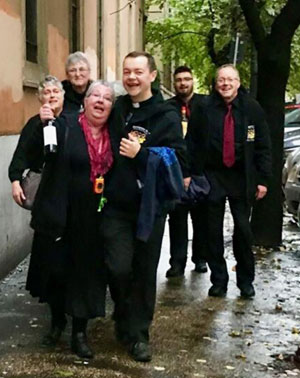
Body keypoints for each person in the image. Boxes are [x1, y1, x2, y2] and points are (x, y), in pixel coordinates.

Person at [12, 80, 115, 359]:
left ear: (112, 106)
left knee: (86, 275)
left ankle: (79, 333)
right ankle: (57, 321)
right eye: (94, 95)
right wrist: (43, 125)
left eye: (107, 98)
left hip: (93, 217)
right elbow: (37, 150)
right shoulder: (64, 125)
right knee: (55, 272)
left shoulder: (114, 134)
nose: (100, 101)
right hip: (59, 213)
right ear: (84, 101)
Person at [101, 51, 188, 362]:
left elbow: (178, 159)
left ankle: (138, 335)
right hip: (116, 205)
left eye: (138, 72)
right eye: (127, 72)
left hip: (150, 208)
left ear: (152, 75)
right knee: (118, 266)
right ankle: (123, 313)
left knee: (144, 271)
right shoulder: (119, 107)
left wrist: (142, 153)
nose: (132, 78)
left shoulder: (166, 115)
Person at [187, 64, 272, 298]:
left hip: (241, 176)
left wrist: (263, 180)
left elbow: (263, 146)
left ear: (238, 82)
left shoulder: (251, 108)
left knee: (243, 230)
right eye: (221, 80)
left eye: (230, 80)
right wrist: (189, 174)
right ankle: (219, 280)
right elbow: (191, 143)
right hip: (212, 175)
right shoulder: (203, 108)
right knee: (211, 230)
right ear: (216, 84)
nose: (226, 84)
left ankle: (245, 281)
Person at [166, 66, 208, 278]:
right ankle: (177, 262)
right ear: (174, 83)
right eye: (179, 80)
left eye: (187, 79)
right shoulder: (168, 108)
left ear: (193, 81)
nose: (183, 83)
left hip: (200, 171)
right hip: (175, 170)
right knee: (177, 220)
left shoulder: (205, 104)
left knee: (200, 219)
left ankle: (200, 259)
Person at [9, 75, 64, 207]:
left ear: (62, 95)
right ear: (40, 98)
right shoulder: (34, 124)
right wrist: (15, 181)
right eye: (47, 92)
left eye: (56, 91)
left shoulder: (72, 120)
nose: (52, 96)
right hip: (43, 186)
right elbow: (21, 152)